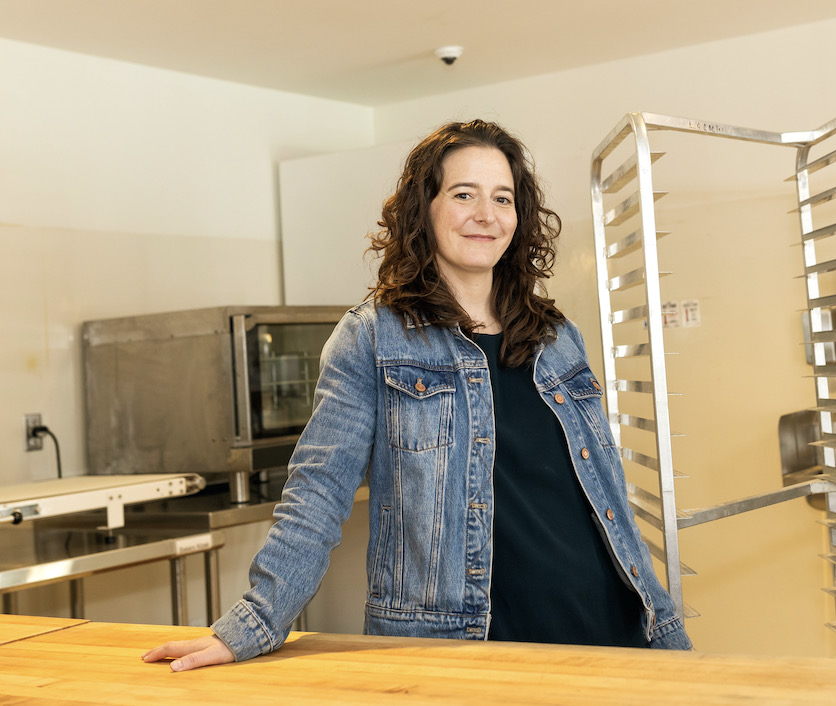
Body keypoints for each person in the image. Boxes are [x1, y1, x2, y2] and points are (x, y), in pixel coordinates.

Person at [143, 119, 692, 672]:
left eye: (503, 198)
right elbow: (318, 491)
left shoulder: (555, 336)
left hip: (612, 625)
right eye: (463, 195)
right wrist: (254, 624)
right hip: (469, 644)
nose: (486, 214)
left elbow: (608, 495)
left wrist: (665, 626)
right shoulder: (373, 337)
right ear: (423, 210)